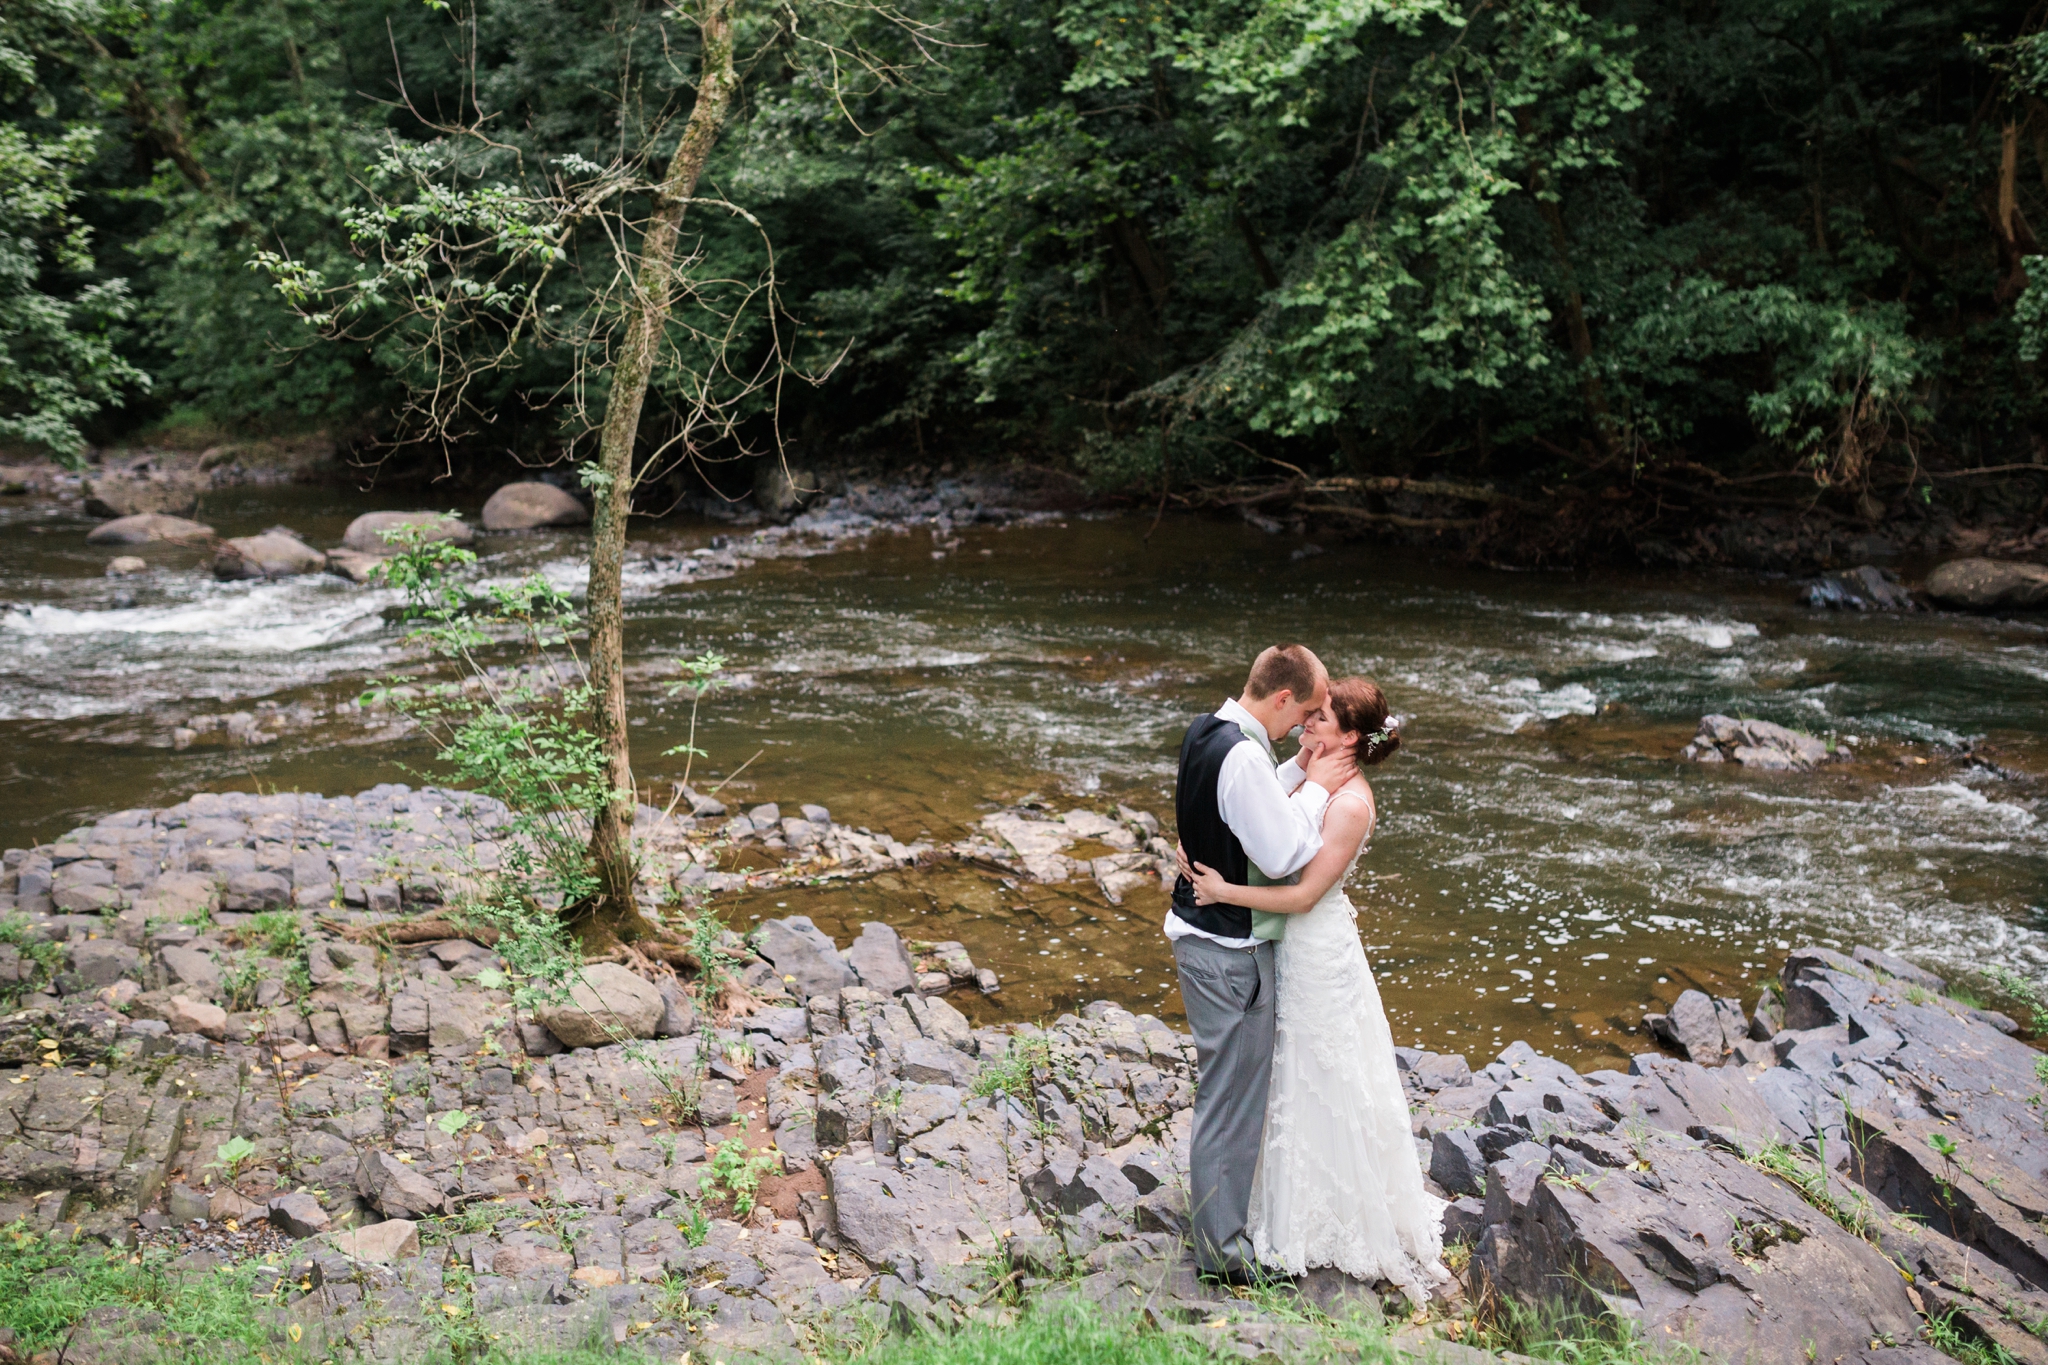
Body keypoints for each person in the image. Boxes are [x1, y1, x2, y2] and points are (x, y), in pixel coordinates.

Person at [1179, 677, 1450, 1304]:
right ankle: (1260, 1206)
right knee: (1278, 1078)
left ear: (1350, 735)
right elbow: (1261, 820)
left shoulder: (1350, 804)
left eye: (1319, 717)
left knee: (1322, 1079)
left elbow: (1301, 894)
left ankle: (1324, 1216)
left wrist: (1224, 892)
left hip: (1315, 951)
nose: (1306, 723)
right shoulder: (1311, 774)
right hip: (1282, 950)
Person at [1166, 643, 1335, 1284]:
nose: (1307, 725)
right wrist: (1319, 787)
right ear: (1283, 698)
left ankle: (1217, 1224)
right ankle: (1223, 1254)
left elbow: (1241, 803)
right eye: (1306, 713)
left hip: (1197, 935)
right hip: (1228, 951)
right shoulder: (1241, 754)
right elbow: (1286, 850)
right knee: (1232, 1100)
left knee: (1224, 1093)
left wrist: (1294, 769)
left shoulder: (1210, 729)